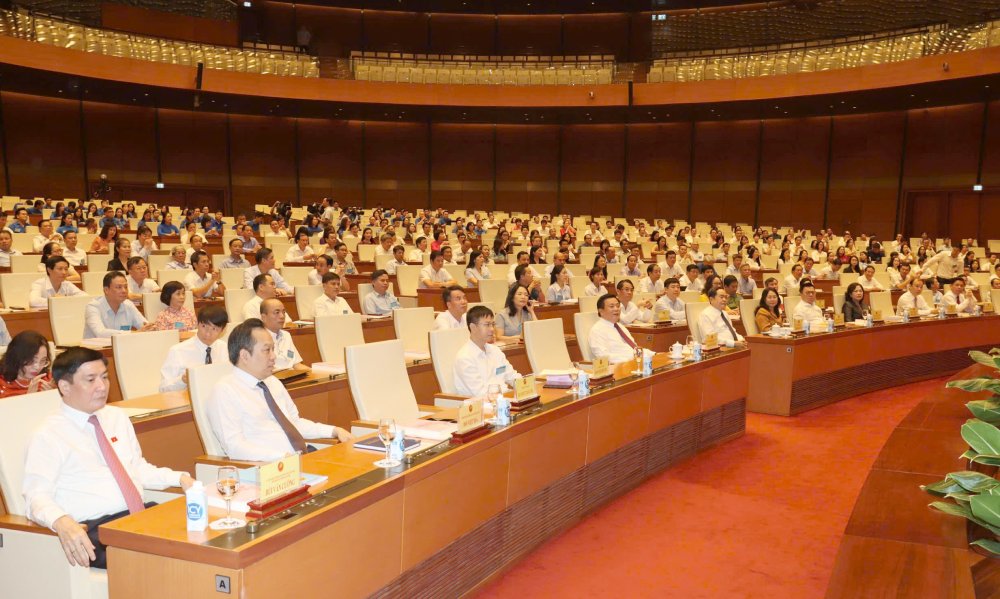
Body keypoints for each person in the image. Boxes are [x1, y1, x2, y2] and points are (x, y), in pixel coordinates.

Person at [22, 346, 195, 569]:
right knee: (170, 562)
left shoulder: (116, 417)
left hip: (138, 516)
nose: (102, 387)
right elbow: (36, 496)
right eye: (91, 379)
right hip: (96, 529)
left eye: (104, 377)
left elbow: (136, 468)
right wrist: (61, 521)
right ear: (64, 386)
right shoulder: (47, 434)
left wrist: (180, 478)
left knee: (201, 537)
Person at [206, 319, 352, 461]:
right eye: (266, 350)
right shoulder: (225, 391)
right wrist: (281, 458)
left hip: (301, 455)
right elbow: (235, 447)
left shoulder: (272, 382)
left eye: (273, 349)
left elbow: (294, 422)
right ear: (244, 355)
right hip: (271, 469)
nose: (273, 356)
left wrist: (334, 430)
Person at [452, 305, 521, 396]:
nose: (492, 329)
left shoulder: (495, 350)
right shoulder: (465, 357)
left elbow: (511, 375)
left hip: (502, 400)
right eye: (487, 325)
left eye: (493, 324)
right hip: (481, 406)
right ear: (473, 327)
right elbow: (480, 393)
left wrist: (527, 386)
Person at [159, 305, 229, 392]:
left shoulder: (224, 348)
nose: (208, 333)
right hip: (187, 400)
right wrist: (182, 381)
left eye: (214, 329)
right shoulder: (178, 351)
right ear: (197, 324)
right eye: (204, 326)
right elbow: (163, 388)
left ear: (222, 330)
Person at [84, 272, 152, 338]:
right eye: (119, 287)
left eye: (125, 287)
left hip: (123, 346)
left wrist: (151, 327)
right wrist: (133, 333)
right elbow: (100, 333)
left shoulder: (128, 304)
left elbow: (144, 325)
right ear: (106, 290)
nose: (124, 291)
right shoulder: (93, 307)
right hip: (95, 348)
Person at [589, 294, 651, 364]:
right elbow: (603, 356)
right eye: (611, 306)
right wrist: (629, 360)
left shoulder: (620, 326)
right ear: (601, 311)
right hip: (621, 367)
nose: (616, 309)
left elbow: (635, 349)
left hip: (636, 361)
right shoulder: (597, 330)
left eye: (618, 306)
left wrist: (653, 354)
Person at [0, 331, 54, 396]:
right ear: (17, 357)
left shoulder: (48, 379)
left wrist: (53, 395)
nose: (37, 367)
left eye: (43, 361)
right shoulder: (2, 384)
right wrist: (28, 398)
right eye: (32, 360)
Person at [259, 298, 301, 370]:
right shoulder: (258, 338)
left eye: (284, 312)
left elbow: (296, 364)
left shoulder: (286, 335)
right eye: (277, 312)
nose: (282, 316)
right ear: (264, 317)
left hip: (292, 376)